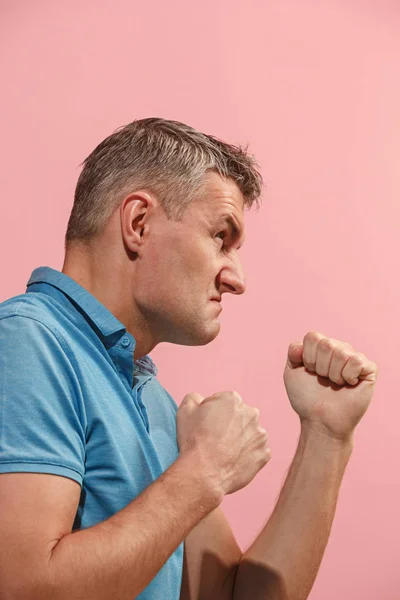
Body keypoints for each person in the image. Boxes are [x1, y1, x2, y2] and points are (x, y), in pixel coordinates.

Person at [0, 118, 378, 600]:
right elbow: (24, 587)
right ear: (139, 223)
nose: (236, 278)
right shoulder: (27, 342)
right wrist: (205, 472)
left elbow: (231, 595)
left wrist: (327, 434)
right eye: (221, 237)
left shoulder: (151, 398)